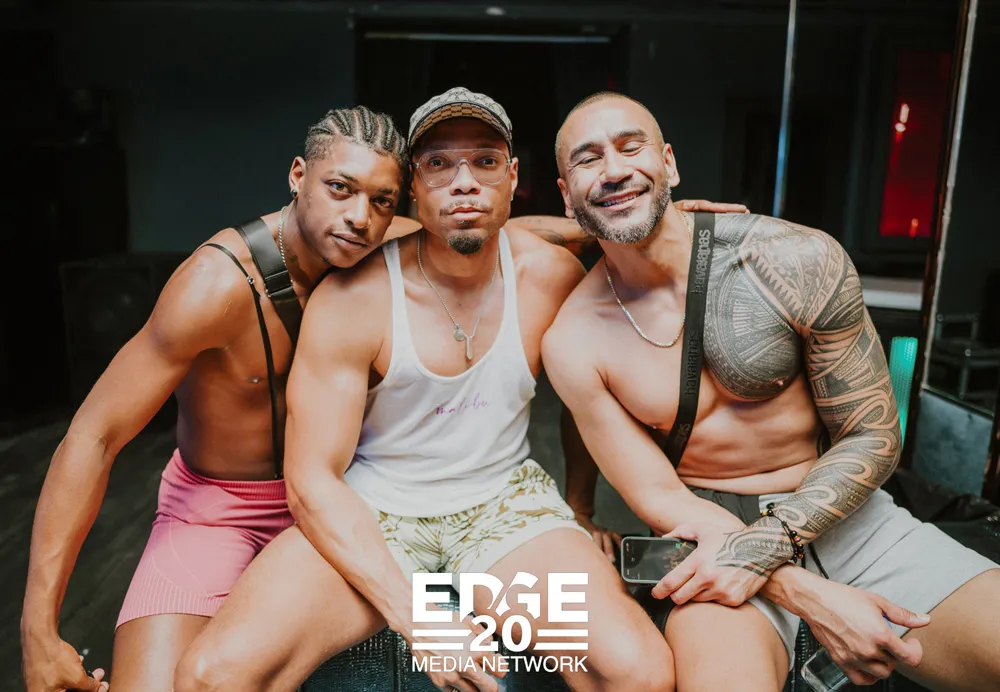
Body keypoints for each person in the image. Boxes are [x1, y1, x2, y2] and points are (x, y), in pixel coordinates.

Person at [173, 87, 681, 692]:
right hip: (376, 514)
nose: (464, 183)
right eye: (439, 164)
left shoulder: (551, 278)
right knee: (212, 677)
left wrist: (579, 507)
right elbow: (311, 481)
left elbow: (586, 395)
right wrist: (419, 618)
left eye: (485, 162)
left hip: (505, 514)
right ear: (413, 186)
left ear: (513, 178)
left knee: (639, 671)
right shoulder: (355, 299)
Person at [543, 91, 1000, 690]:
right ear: (566, 195)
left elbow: (873, 432)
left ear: (669, 164)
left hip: (850, 515)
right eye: (588, 159)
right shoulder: (573, 340)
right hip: (707, 537)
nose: (614, 170)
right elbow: (657, 492)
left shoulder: (795, 260)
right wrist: (787, 579)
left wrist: (772, 542)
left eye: (632, 147)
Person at [20, 105, 416, 692]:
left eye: (382, 200)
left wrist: (573, 218)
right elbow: (94, 436)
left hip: (336, 501)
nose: (360, 217)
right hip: (216, 510)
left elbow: (506, 237)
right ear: (298, 175)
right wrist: (37, 630)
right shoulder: (214, 286)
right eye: (340, 188)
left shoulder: (392, 244)